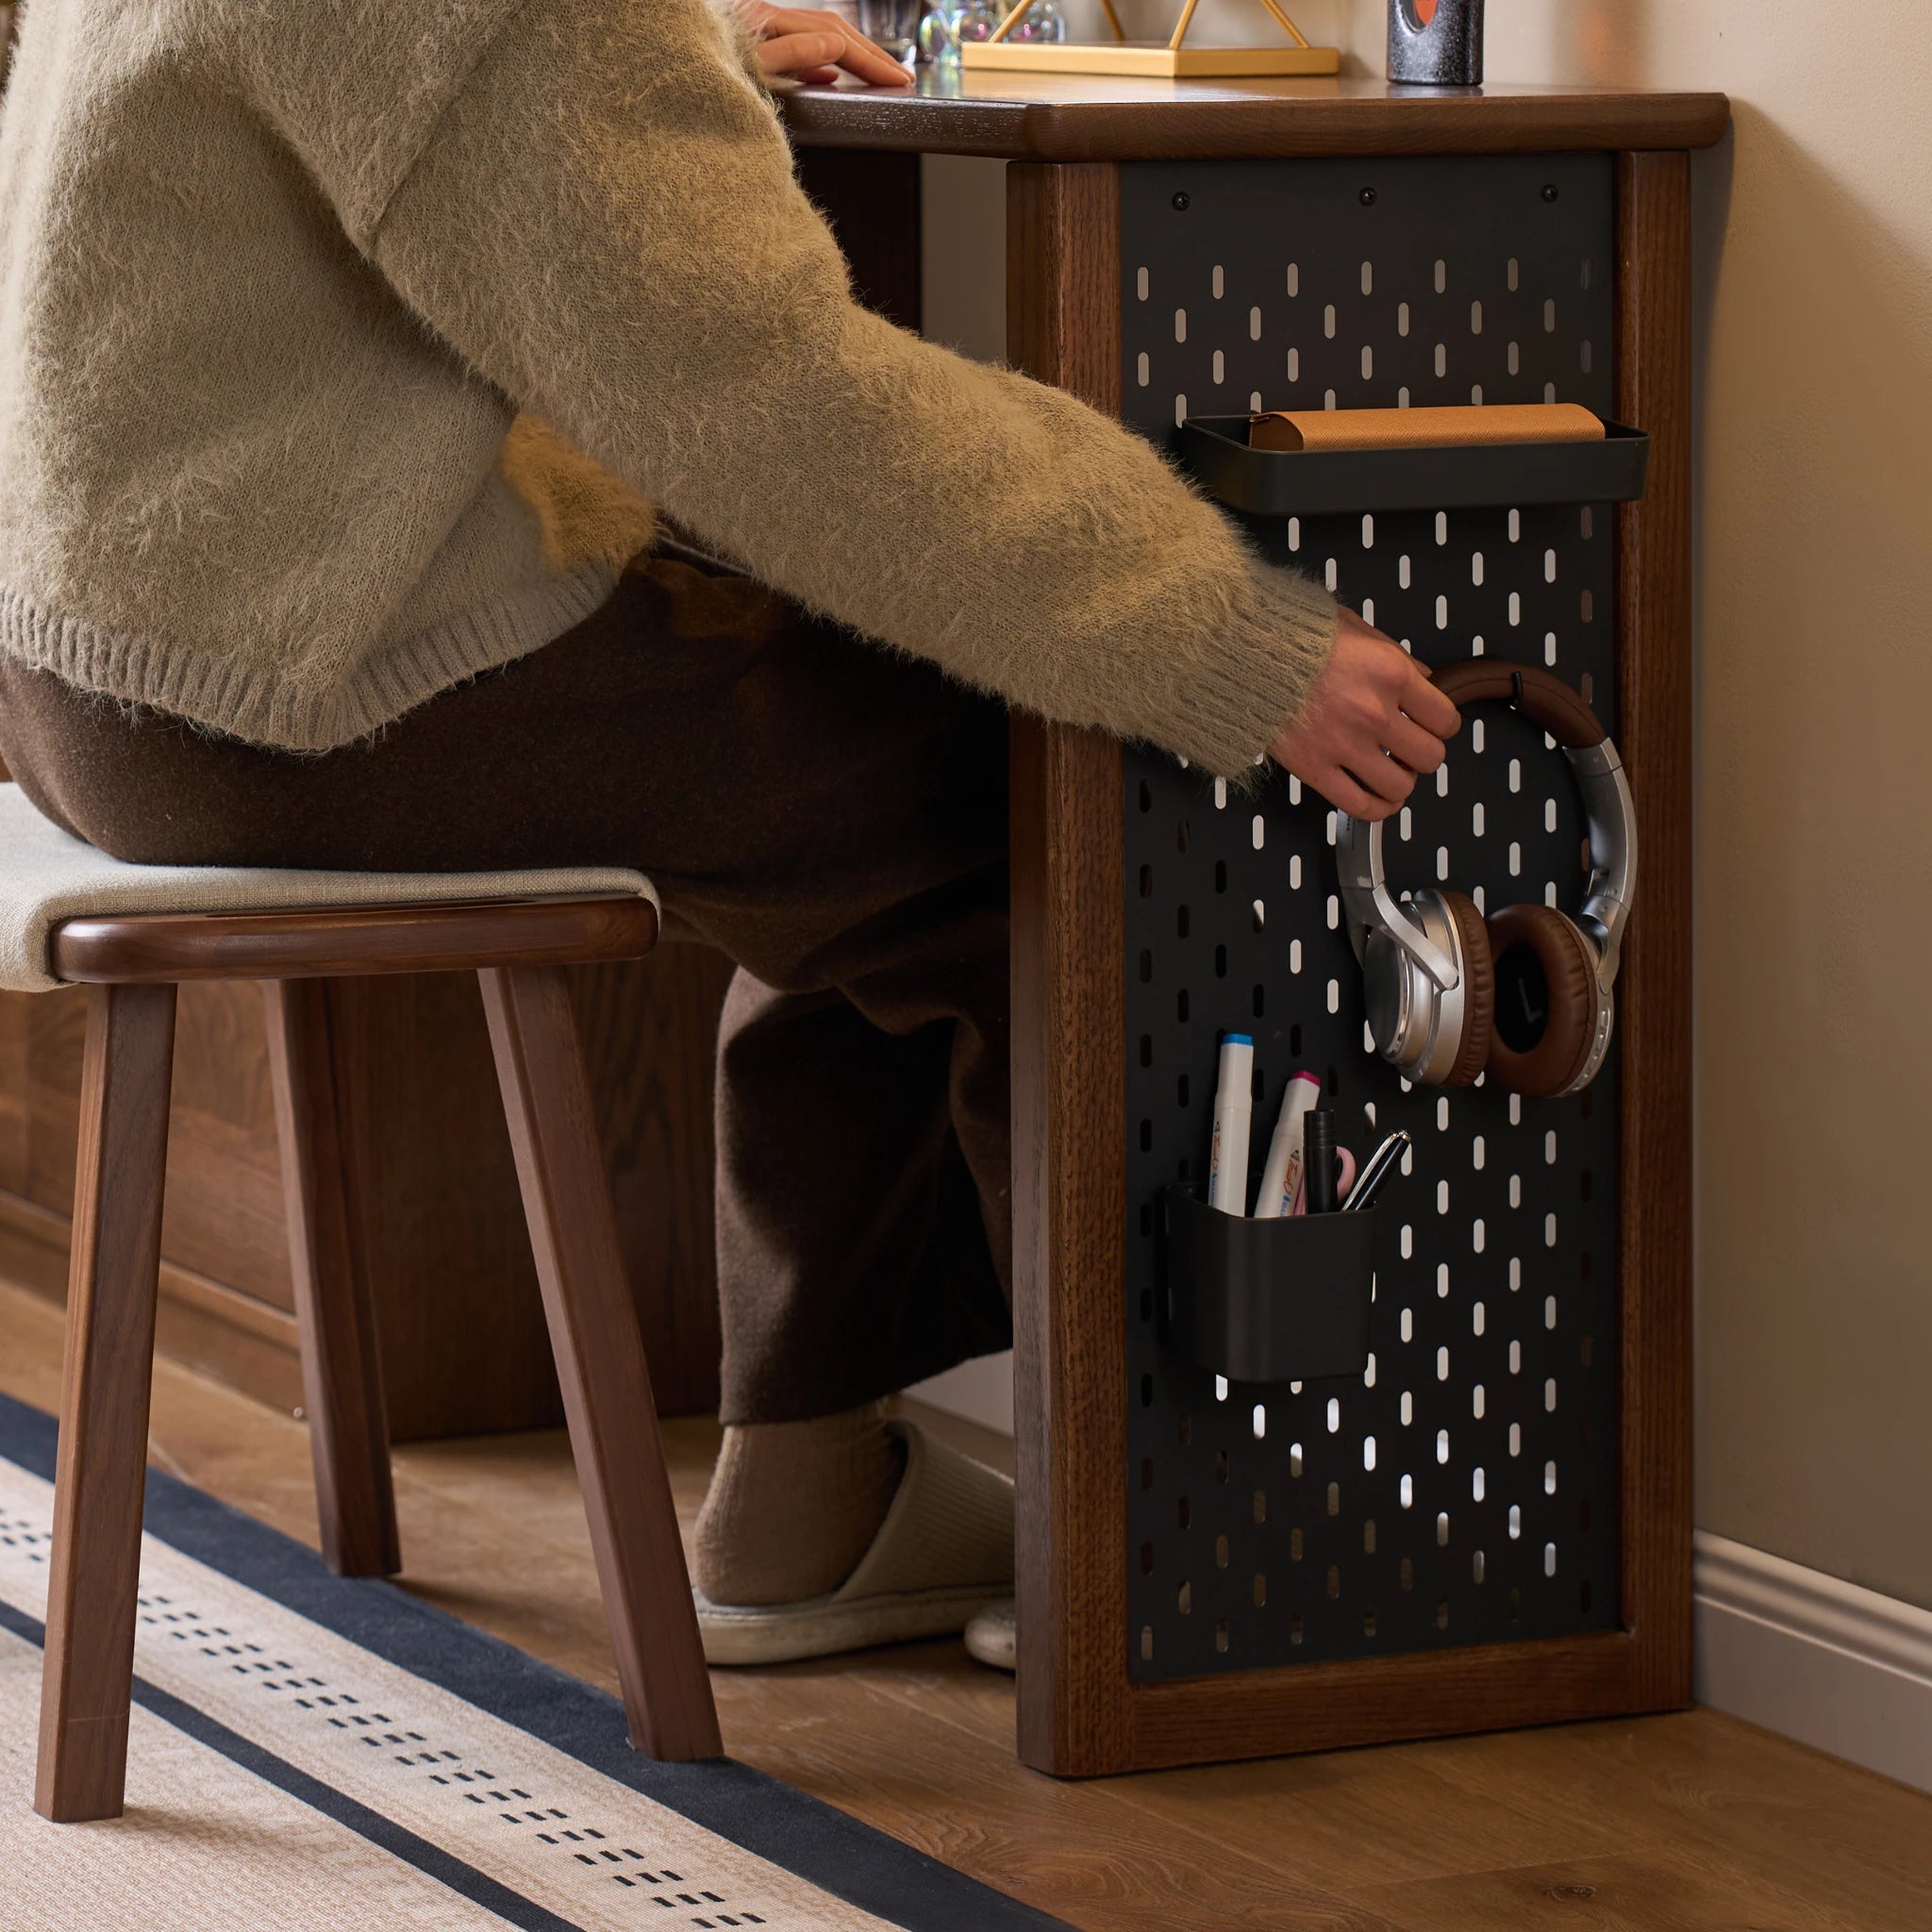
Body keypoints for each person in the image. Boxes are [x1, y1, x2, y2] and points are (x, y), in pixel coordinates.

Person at [0, 0, 1457, 1663]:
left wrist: (661, 64)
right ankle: (1159, 1553)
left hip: (103, 672)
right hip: (296, 688)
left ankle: (814, 1501)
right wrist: (1228, 641)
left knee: (848, 769)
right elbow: (769, 408)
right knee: (1022, 789)